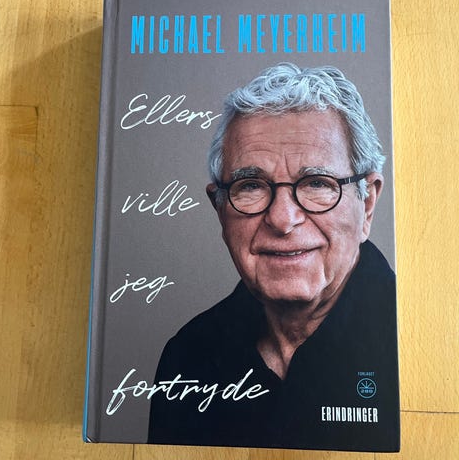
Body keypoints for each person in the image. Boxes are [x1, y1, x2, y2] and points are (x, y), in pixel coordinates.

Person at [148, 63, 399, 452]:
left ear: (367, 204)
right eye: (251, 186)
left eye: (317, 183)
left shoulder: (411, 340)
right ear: (219, 208)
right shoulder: (186, 356)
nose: (282, 219)